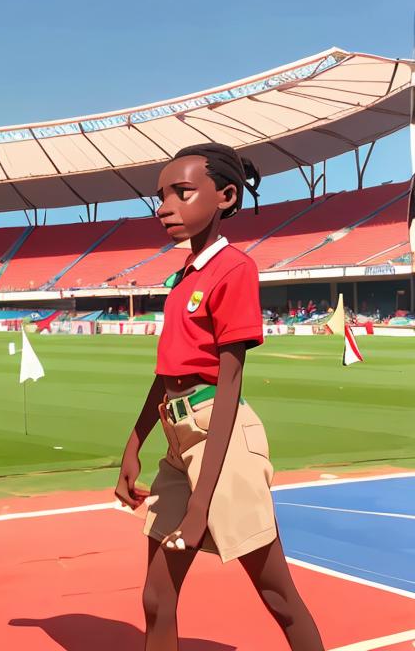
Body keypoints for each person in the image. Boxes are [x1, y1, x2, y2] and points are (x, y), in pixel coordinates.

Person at [114, 143, 321, 651]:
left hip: (220, 439)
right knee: (156, 597)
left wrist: (201, 503)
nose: (165, 206)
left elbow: (230, 385)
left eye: (181, 193)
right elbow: (167, 372)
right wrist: (134, 442)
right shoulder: (183, 279)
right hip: (176, 434)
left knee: (276, 593)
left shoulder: (234, 270)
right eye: (160, 197)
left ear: (225, 196)